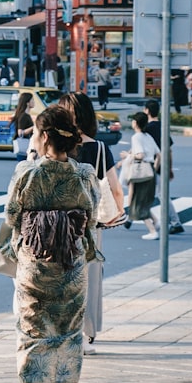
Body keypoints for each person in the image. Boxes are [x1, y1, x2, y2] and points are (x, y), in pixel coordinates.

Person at [0, 105, 98, 383]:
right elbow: (91, 220)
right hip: (70, 264)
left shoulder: (25, 173)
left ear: (43, 137)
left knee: (30, 331)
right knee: (70, 332)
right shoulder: (84, 174)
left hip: (34, 264)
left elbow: (12, 217)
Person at [58, 92, 125, 356]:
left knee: (63, 278)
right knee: (89, 279)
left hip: (59, 223)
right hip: (90, 225)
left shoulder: (58, 147)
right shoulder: (98, 148)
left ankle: (63, 331)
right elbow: (115, 188)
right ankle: (87, 332)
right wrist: (117, 212)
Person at [142, 100, 183, 233]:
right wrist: (170, 168)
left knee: (157, 195)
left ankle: (175, 222)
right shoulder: (162, 127)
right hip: (163, 166)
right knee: (159, 194)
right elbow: (169, 150)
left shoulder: (147, 129)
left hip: (152, 166)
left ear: (147, 110)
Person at [124, 112, 162, 240]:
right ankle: (156, 222)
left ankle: (152, 231)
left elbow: (140, 155)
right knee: (144, 201)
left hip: (141, 172)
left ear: (135, 123)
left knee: (138, 202)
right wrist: (153, 170)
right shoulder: (148, 137)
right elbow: (159, 155)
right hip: (150, 171)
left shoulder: (136, 137)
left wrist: (128, 156)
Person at [9, 92, 35, 162]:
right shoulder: (23, 116)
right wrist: (33, 127)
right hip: (24, 145)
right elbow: (20, 132)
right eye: (32, 100)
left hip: (26, 145)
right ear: (27, 103)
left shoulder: (26, 115)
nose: (34, 102)